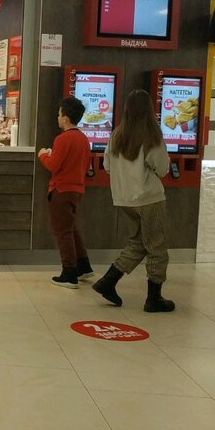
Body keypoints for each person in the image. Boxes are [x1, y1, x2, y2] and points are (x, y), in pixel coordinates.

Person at [93, 89, 175, 312]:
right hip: (149, 199)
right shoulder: (151, 137)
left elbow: (107, 166)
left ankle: (108, 281)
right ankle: (154, 298)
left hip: (124, 200)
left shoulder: (116, 135)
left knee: (139, 243)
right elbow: (162, 169)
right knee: (157, 247)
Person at [37, 96, 92, 287]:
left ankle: (69, 272)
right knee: (70, 228)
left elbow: (53, 166)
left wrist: (43, 155)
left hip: (61, 189)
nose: (58, 117)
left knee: (63, 232)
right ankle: (83, 265)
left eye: (59, 114)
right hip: (77, 190)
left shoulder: (62, 139)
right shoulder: (83, 139)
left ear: (66, 118)